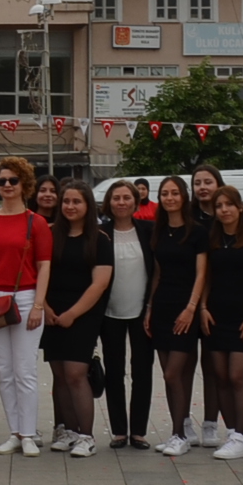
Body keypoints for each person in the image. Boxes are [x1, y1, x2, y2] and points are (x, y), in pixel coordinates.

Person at [0, 156, 51, 457]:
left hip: (25, 296)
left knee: (25, 370)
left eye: (13, 180)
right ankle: (14, 432)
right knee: (4, 371)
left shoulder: (37, 222)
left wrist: (38, 305)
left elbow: (44, 266)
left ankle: (29, 433)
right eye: (2, 181)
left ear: (24, 184)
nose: (7, 185)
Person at [36, 181, 112, 458]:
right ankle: (68, 431)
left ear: (88, 205)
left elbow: (99, 283)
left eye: (76, 201)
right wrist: (44, 307)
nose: (70, 206)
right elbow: (38, 273)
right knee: (59, 375)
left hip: (83, 314)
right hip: (52, 313)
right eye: (66, 201)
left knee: (76, 374)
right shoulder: (49, 234)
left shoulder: (100, 239)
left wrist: (73, 314)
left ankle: (86, 436)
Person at [201, 184, 243, 459]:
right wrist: (202, 307)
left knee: (238, 376)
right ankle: (231, 433)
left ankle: (241, 435)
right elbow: (206, 277)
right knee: (220, 377)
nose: (224, 210)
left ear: (240, 207)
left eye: (229, 204)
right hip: (216, 316)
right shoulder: (212, 239)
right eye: (219, 206)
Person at [145, 175, 206, 455]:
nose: (169, 198)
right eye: (165, 194)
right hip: (162, 306)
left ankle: (180, 434)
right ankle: (176, 432)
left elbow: (202, 274)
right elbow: (157, 273)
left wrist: (191, 308)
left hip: (186, 308)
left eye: (175, 193)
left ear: (184, 196)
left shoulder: (197, 232)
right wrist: (149, 308)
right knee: (169, 376)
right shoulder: (158, 231)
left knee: (173, 374)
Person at [97, 180, 155, 450]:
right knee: (114, 372)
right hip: (109, 312)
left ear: (136, 201)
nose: (121, 202)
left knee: (142, 371)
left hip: (142, 312)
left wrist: (151, 306)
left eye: (126, 198)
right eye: (116, 198)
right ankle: (119, 431)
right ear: (109, 203)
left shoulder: (149, 230)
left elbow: (157, 270)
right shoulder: (101, 233)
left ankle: (139, 431)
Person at [187, 165, 226, 445]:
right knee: (184, 364)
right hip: (187, 298)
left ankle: (211, 423)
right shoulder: (187, 218)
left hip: (219, 301)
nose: (202, 187)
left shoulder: (228, 216)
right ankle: (183, 422)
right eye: (197, 182)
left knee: (213, 366)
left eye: (208, 182)